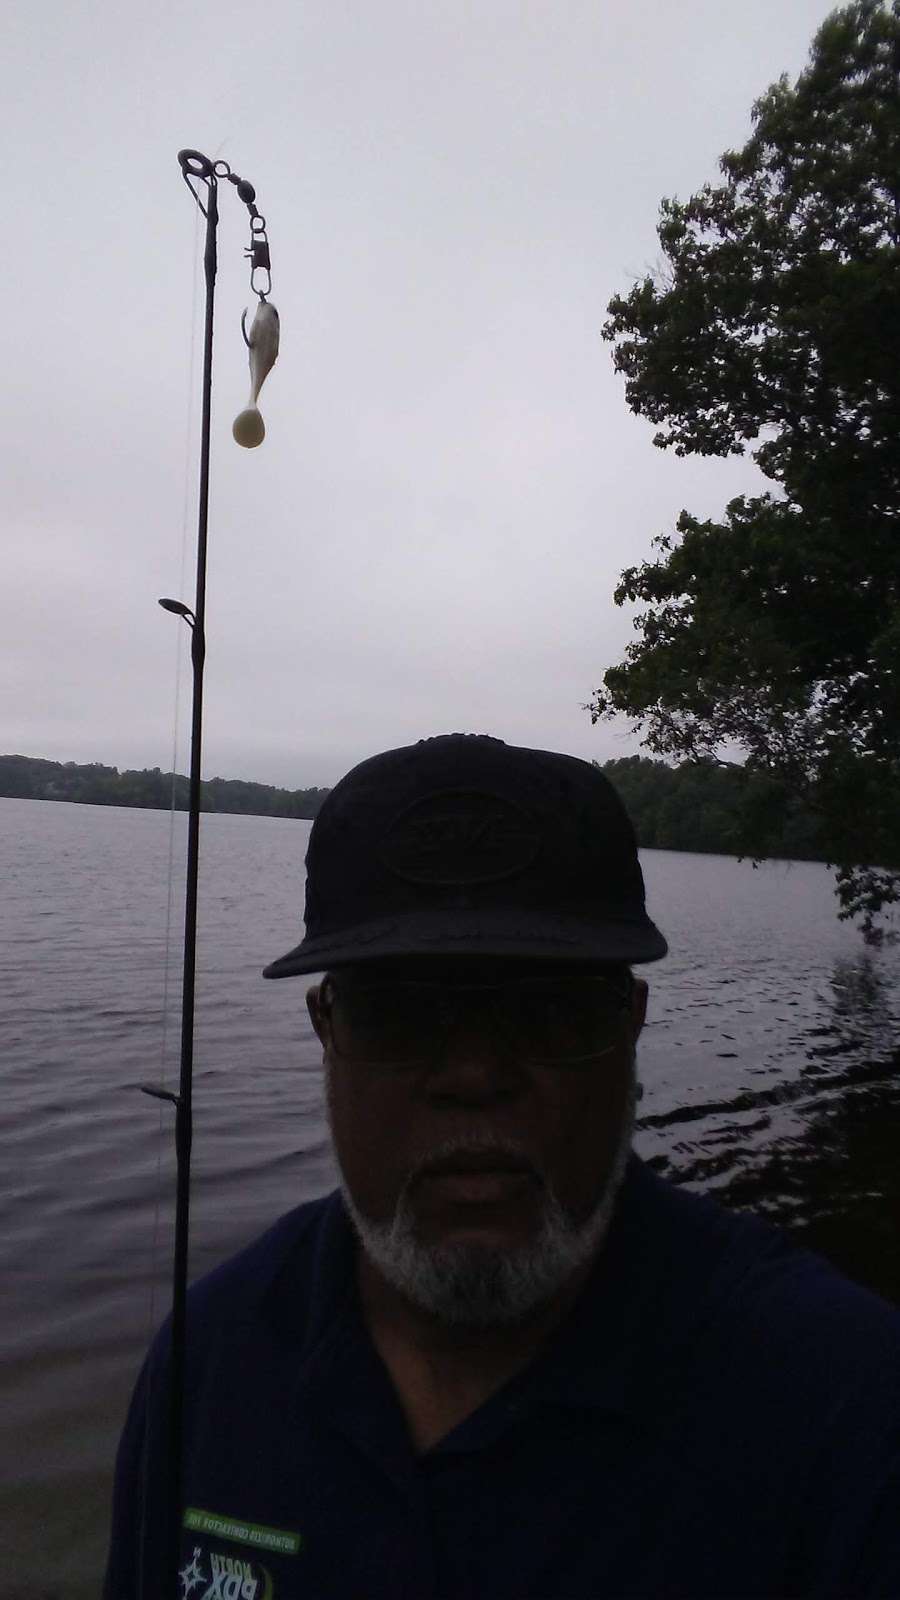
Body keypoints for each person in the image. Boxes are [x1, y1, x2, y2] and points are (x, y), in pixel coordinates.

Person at [104, 733, 900, 1599]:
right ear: (325, 1028)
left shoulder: (848, 1406)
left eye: (551, 1011)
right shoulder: (208, 1358)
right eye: (400, 1014)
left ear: (631, 1022)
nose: (476, 1076)